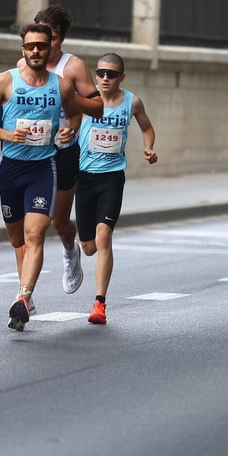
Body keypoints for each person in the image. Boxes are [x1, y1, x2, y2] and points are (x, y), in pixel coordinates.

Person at [0, 23, 105, 331]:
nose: (35, 50)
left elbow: (74, 112)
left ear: (49, 50)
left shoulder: (60, 85)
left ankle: (22, 297)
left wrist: (69, 127)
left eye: (41, 46)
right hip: (10, 169)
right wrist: (7, 134)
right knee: (18, 239)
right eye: (30, 46)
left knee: (35, 235)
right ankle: (26, 295)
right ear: (23, 49)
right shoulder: (5, 81)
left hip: (44, 169)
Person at [70, 53, 157, 325]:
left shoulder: (132, 102)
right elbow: (67, 122)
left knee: (104, 237)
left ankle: (99, 304)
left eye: (111, 74)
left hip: (112, 178)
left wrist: (149, 147)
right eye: (101, 73)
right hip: (84, 177)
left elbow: (147, 127)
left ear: (122, 77)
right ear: (95, 75)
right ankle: (75, 250)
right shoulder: (85, 100)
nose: (105, 78)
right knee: (89, 247)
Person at [17, 4, 97, 295]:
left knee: (59, 223)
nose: (43, 44)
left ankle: (69, 252)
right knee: (31, 226)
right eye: (38, 36)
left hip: (64, 151)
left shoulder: (73, 67)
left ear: (60, 39)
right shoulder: (22, 66)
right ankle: (24, 293)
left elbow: (98, 107)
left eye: (50, 38)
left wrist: (68, 95)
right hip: (31, 153)